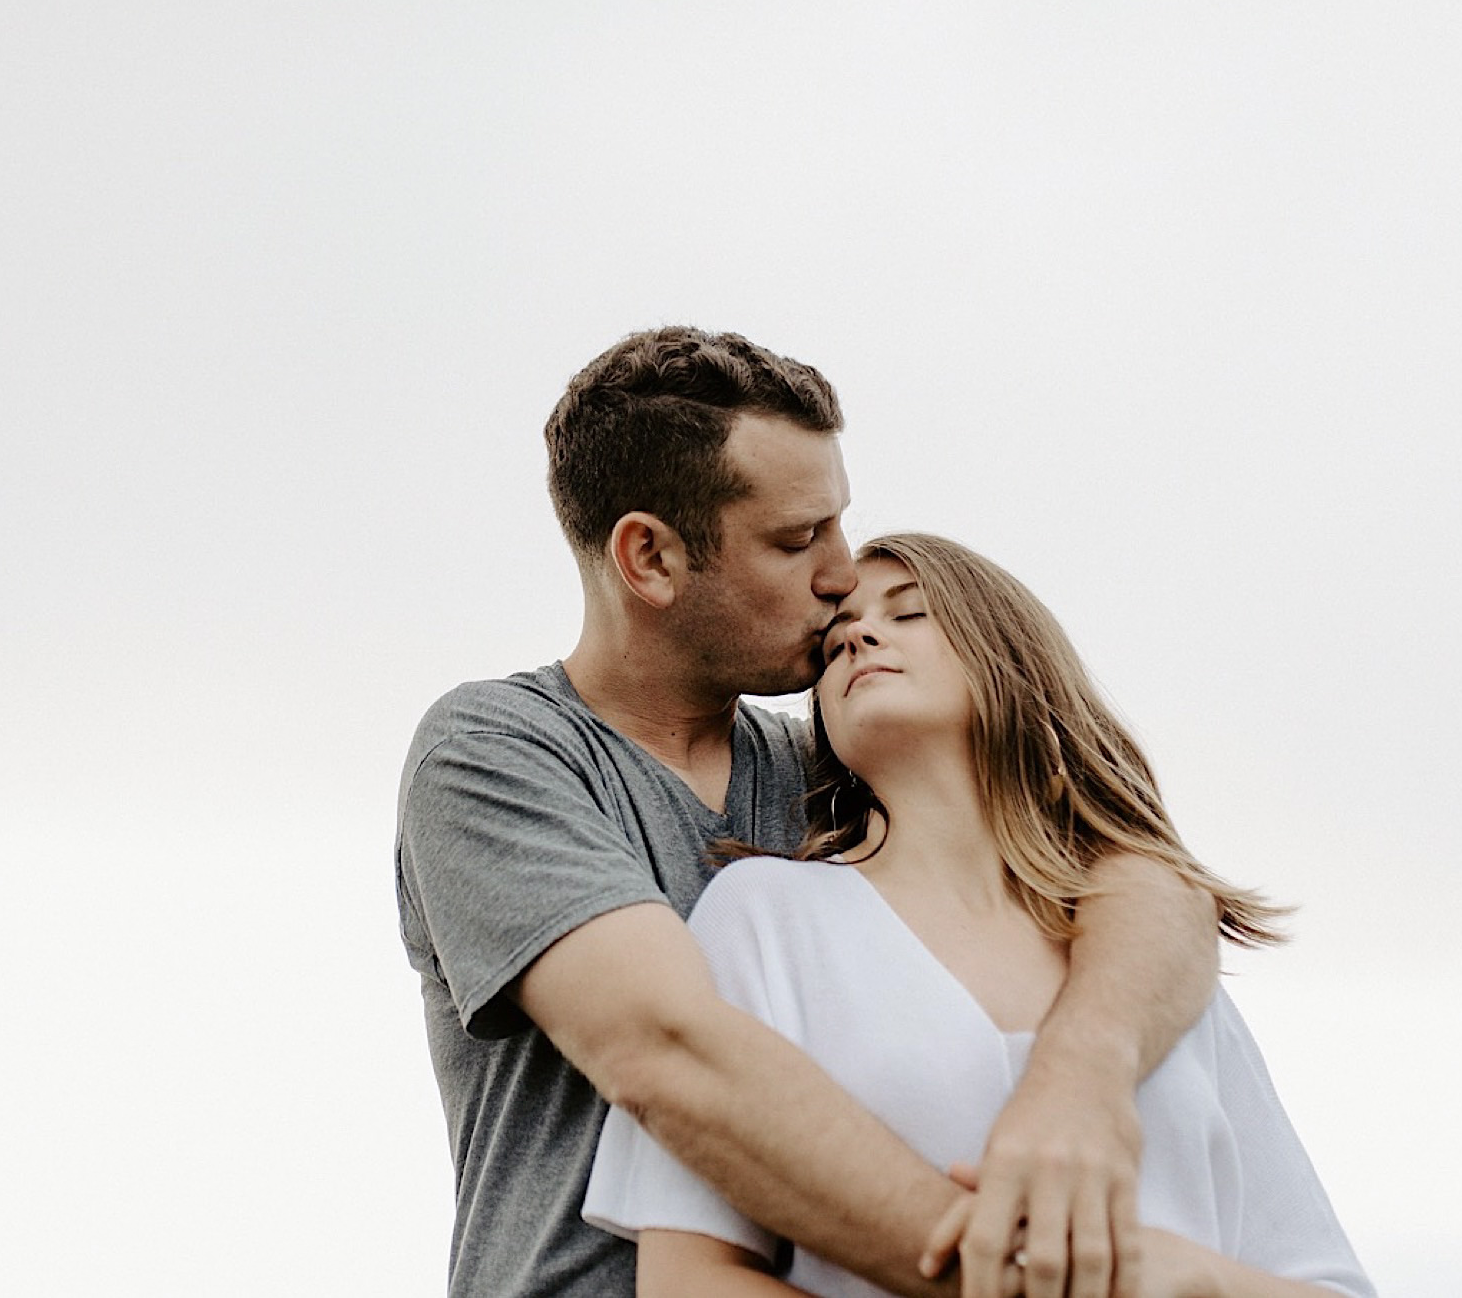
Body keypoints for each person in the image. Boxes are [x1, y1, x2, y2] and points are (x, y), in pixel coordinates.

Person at [395, 328, 1223, 1297]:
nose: (840, 574)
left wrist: (1078, 1082)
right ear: (649, 559)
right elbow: (667, 1051)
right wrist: (1025, 1276)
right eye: (795, 540)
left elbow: (1139, 881)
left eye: (837, 523)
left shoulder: (840, 770)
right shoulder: (496, 751)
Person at [582, 532, 1375, 1298]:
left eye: (910, 611)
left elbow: (1327, 1281)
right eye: (834, 641)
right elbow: (688, 1278)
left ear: (1012, 658)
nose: (858, 633)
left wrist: (1191, 1278)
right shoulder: (764, 913)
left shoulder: (1158, 964)